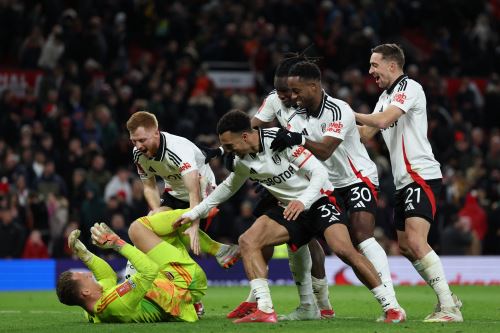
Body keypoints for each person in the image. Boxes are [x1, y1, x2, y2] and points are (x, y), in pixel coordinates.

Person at [178, 110, 405, 323]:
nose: (228, 151)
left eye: (229, 145)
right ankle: (265, 309)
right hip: (286, 209)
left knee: (345, 250)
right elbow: (227, 188)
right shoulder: (241, 160)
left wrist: (302, 201)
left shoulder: (279, 140)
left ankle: (391, 307)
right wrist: (194, 213)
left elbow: (319, 173)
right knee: (248, 241)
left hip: (317, 201)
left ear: (245, 136)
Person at [204, 56, 335, 321]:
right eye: (280, 90)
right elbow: (247, 128)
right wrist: (224, 151)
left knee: (309, 242)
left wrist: (297, 139)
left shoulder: (313, 104)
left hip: (306, 174)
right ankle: (257, 300)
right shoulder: (275, 99)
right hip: (275, 176)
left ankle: (321, 303)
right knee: (259, 236)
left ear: (300, 86)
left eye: (289, 90)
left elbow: (323, 145)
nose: (285, 96)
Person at [269, 60, 400, 321]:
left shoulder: (339, 109)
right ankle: (317, 306)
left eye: (298, 91)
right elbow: (296, 154)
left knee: (362, 237)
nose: (293, 97)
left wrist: (298, 139)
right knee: (300, 238)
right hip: (323, 184)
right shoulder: (296, 117)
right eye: (290, 92)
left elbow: (326, 149)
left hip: (356, 178)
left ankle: (392, 303)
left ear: (314, 86)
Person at [355, 43, 463, 322]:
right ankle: (448, 298)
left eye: (374, 65)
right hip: (403, 182)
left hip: (420, 175)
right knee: (404, 245)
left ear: (392, 65)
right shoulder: (385, 96)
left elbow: (384, 120)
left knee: (416, 240)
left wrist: (348, 112)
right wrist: (331, 123)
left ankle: (449, 307)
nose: (370, 71)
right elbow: (366, 132)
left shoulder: (409, 88)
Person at [126, 111, 239, 267]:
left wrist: (194, 225)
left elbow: (193, 190)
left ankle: (211, 250)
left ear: (156, 133)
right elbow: (149, 186)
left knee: (171, 226)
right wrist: (158, 216)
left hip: (201, 192)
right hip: (174, 192)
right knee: (152, 222)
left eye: (142, 140)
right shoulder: (138, 154)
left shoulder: (178, 150)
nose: (138, 146)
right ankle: (221, 250)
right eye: (134, 141)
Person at [56, 209, 208, 323]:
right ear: (86, 291)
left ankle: (193, 304)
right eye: (84, 276)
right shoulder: (116, 303)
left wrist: (85, 255)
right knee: (138, 228)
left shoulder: (91, 309)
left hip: (170, 285)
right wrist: (117, 244)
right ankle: (204, 209)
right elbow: (149, 271)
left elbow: (107, 277)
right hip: (185, 283)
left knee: (157, 215)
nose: (89, 274)